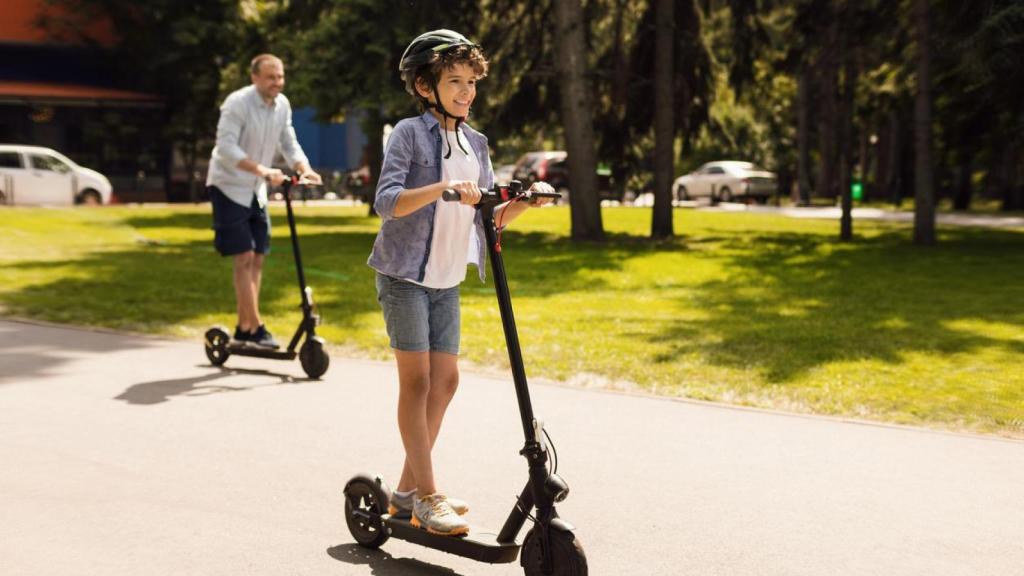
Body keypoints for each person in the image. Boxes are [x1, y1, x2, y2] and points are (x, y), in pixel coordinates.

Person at [367, 29, 554, 536]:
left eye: (471, 81)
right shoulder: (408, 133)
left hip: (447, 279)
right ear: (426, 86)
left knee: (446, 382)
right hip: (404, 275)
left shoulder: (476, 143)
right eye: (455, 80)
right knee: (419, 382)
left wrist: (525, 203)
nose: (467, 91)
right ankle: (428, 497)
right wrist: (444, 187)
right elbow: (387, 202)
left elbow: (487, 216)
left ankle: (405, 494)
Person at [207, 54, 321, 349]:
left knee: (258, 257)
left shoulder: (282, 104)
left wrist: (303, 168)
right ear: (254, 77)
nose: (277, 83)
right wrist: (262, 170)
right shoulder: (237, 103)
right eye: (271, 77)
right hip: (229, 186)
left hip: (257, 188)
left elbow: (288, 140)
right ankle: (256, 328)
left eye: (280, 77)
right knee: (243, 256)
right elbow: (225, 147)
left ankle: (245, 328)